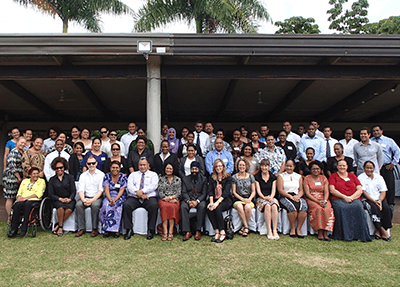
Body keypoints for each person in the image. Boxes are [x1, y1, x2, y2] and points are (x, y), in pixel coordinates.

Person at [328, 159, 371, 242]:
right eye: (340, 165)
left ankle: (359, 235)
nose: (342, 167)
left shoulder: (352, 176)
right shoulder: (333, 176)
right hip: (338, 199)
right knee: (343, 208)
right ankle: (344, 235)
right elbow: (332, 190)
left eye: (344, 165)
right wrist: (344, 197)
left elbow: (359, 189)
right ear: (337, 167)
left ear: (347, 167)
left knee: (358, 207)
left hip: (353, 198)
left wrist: (351, 197)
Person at [123, 157, 159, 240]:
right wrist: (139, 194)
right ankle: (129, 229)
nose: (142, 167)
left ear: (148, 165)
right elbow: (129, 187)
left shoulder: (153, 174)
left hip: (149, 197)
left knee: (154, 206)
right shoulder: (133, 175)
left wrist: (142, 191)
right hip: (135, 197)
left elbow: (153, 186)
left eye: (144, 165)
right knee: (126, 205)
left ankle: (151, 230)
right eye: (140, 165)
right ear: (138, 166)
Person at [358, 161, 392, 241]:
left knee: (387, 209)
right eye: (367, 168)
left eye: (371, 168)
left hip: (379, 199)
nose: (369, 170)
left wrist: (380, 201)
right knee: (374, 210)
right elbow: (364, 192)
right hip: (367, 199)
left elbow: (383, 191)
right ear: (364, 168)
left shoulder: (379, 177)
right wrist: (374, 201)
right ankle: (383, 231)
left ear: (374, 168)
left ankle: (380, 230)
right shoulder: (361, 177)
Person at [7, 167, 45, 238]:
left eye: (37, 173)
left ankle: (24, 228)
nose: (36, 175)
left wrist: (26, 198)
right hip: (22, 200)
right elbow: (19, 192)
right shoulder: (25, 181)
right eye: (34, 174)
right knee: (17, 205)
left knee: (27, 205)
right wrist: (19, 197)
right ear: (30, 175)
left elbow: (39, 194)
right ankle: (14, 229)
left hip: (34, 200)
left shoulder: (41, 181)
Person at [303, 161, 335, 241]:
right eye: (313, 169)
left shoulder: (324, 178)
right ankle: (320, 231)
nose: (315, 170)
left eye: (317, 169)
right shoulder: (307, 178)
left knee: (328, 209)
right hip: (312, 199)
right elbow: (307, 193)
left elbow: (326, 191)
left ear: (320, 170)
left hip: (323, 198)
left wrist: (324, 200)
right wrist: (317, 202)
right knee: (318, 209)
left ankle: (326, 232)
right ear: (310, 170)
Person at [371, 125, 400, 210]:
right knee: (375, 184)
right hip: (374, 167)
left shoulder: (389, 141)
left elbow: (397, 151)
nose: (376, 132)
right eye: (374, 131)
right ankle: (377, 201)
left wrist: (393, 163)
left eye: (377, 130)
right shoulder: (371, 141)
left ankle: (390, 203)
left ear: (381, 131)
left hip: (386, 166)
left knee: (389, 184)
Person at [75, 156, 105, 237]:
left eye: (93, 163)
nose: (91, 165)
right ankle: (81, 228)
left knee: (95, 205)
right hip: (85, 196)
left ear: (96, 163)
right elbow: (80, 190)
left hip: (96, 197)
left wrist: (92, 201)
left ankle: (95, 228)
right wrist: (83, 200)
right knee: (78, 205)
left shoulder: (101, 174)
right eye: (89, 163)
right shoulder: (83, 175)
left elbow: (100, 190)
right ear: (86, 164)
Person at [277, 159, 307, 238]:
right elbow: (280, 189)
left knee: (304, 207)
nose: (289, 168)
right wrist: (290, 196)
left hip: (296, 195)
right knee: (291, 207)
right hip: (285, 196)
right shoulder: (281, 176)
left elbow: (301, 190)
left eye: (290, 166)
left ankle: (299, 229)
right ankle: (293, 228)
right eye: (287, 166)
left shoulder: (298, 176)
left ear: (294, 167)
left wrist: (298, 196)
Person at [48, 157, 76, 237]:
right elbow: (50, 194)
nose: (59, 169)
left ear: (64, 167)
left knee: (69, 209)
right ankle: (60, 227)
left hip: (69, 199)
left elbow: (73, 190)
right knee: (60, 207)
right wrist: (59, 199)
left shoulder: (69, 177)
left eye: (61, 167)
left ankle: (57, 224)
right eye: (57, 168)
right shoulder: (52, 180)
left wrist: (69, 198)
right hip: (57, 199)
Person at [99, 161, 128, 238]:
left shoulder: (123, 177)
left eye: (117, 168)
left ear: (119, 168)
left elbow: (122, 190)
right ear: (110, 168)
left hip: (120, 196)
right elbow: (106, 190)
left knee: (117, 207)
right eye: (113, 167)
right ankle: (107, 229)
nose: (115, 169)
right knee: (105, 206)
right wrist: (110, 199)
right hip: (109, 195)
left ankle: (116, 230)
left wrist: (115, 200)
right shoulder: (107, 176)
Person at [207, 159, 233, 243]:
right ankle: (217, 231)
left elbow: (226, 193)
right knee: (209, 208)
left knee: (217, 208)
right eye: (217, 166)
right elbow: (210, 190)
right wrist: (211, 203)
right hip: (214, 199)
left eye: (220, 166)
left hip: (225, 199)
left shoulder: (228, 177)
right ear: (214, 168)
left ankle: (223, 232)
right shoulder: (212, 177)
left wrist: (217, 203)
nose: (218, 168)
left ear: (223, 167)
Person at [181, 161, 207, 241]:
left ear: (199, 169)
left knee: (202, 206)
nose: (194, 171)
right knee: (183, 206)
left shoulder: (204, 179)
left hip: (199, 199)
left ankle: (198, 231)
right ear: (190, 169)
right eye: (192, 169)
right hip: (188, 199)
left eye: (196, 169)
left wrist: (197, 201)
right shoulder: (185, 179)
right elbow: (184, 192)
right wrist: (189, 201)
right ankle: (187, 231)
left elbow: (204, 193)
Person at [255, 159, 280, 240]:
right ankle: (269, 230)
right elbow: (258, 191)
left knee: (274, 206)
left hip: (271, 197)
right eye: (262, 166)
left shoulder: (273, 177)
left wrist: (271, 197)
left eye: (266, 166)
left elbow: (274, 190)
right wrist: (264, 197)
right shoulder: (257, 177)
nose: (264, 167)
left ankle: (275, 230)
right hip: (261, 198)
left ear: (269, 167)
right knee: (267, 206)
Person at [232, 158, 256, 237]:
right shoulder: (234, 177)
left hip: (249, 198)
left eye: (243, 165)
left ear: (246, 166)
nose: (241, 167)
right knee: (239, 206)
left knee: (248, 207)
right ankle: (246, 227)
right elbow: (234, 192)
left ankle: (244, 227)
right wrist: (241, 199)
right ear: (237, 166)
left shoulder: (251, 177)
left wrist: (249, 199)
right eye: (240, 165)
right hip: (238, 198)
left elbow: (253, 191)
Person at [3, 137, 26, 216]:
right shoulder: (13, 152)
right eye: (21, 142)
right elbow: (12, 167)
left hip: (18, 178)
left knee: (16, 196)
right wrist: (19, 178)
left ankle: (15, 215)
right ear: (17, 142)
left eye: (24, 143)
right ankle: (10, 217)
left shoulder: (22, 152)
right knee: (10, 198)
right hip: (12, 178)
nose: (22, 144)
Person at [157, 163, 181, 241]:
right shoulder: (161, 179)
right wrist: (167, 199)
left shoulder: (178, 179)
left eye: (170, 168)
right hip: (163, 200)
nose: (168, 170)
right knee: (164, 207)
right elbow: (160, 192)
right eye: (167, 168)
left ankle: (170, 232)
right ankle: (165, 232)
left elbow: (179, 192)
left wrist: (171, 198)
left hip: (174, 199)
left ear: (173, 170)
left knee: (172, 207)